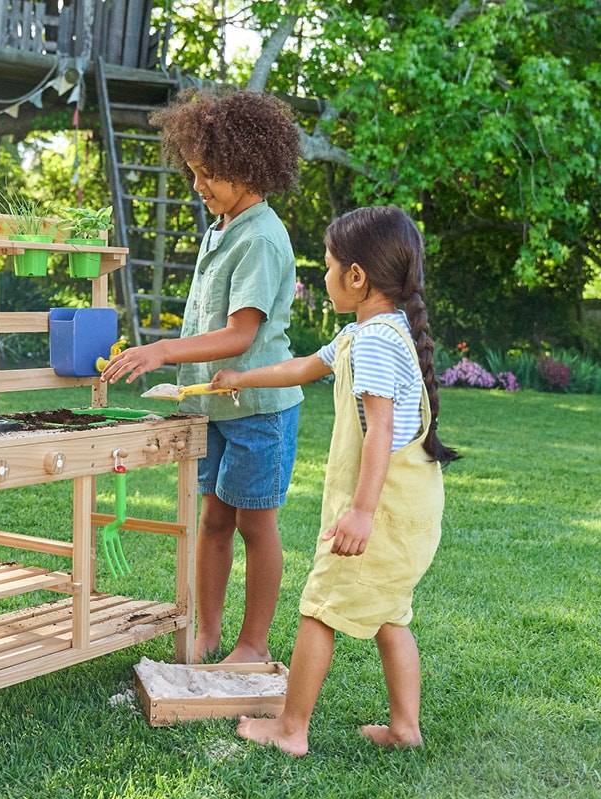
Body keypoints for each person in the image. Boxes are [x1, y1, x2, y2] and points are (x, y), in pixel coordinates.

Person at [212, 205, 458, 756]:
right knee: (391, 614)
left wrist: (362, 512)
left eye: (326, 266)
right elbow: (304, 365)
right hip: (413, 505)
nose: (320, 278)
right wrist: (242, 377)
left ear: (356, 276)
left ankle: (291, 729)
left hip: (385, 509)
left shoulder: (373, 341)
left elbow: (380, 431)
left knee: (319, 607)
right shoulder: (370, 333)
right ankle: (405, 728)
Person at [100, 88, 303, 664]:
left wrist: (163, 349)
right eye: (194, 172)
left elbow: (241, 336)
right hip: (212, 405)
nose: (198, 185)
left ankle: (252, 644)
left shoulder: (261, 238)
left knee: (256, 527)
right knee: (213, 520)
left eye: (209, 174)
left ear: (247, 168)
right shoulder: (223, 226)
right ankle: (207, 633)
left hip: (259, 411)